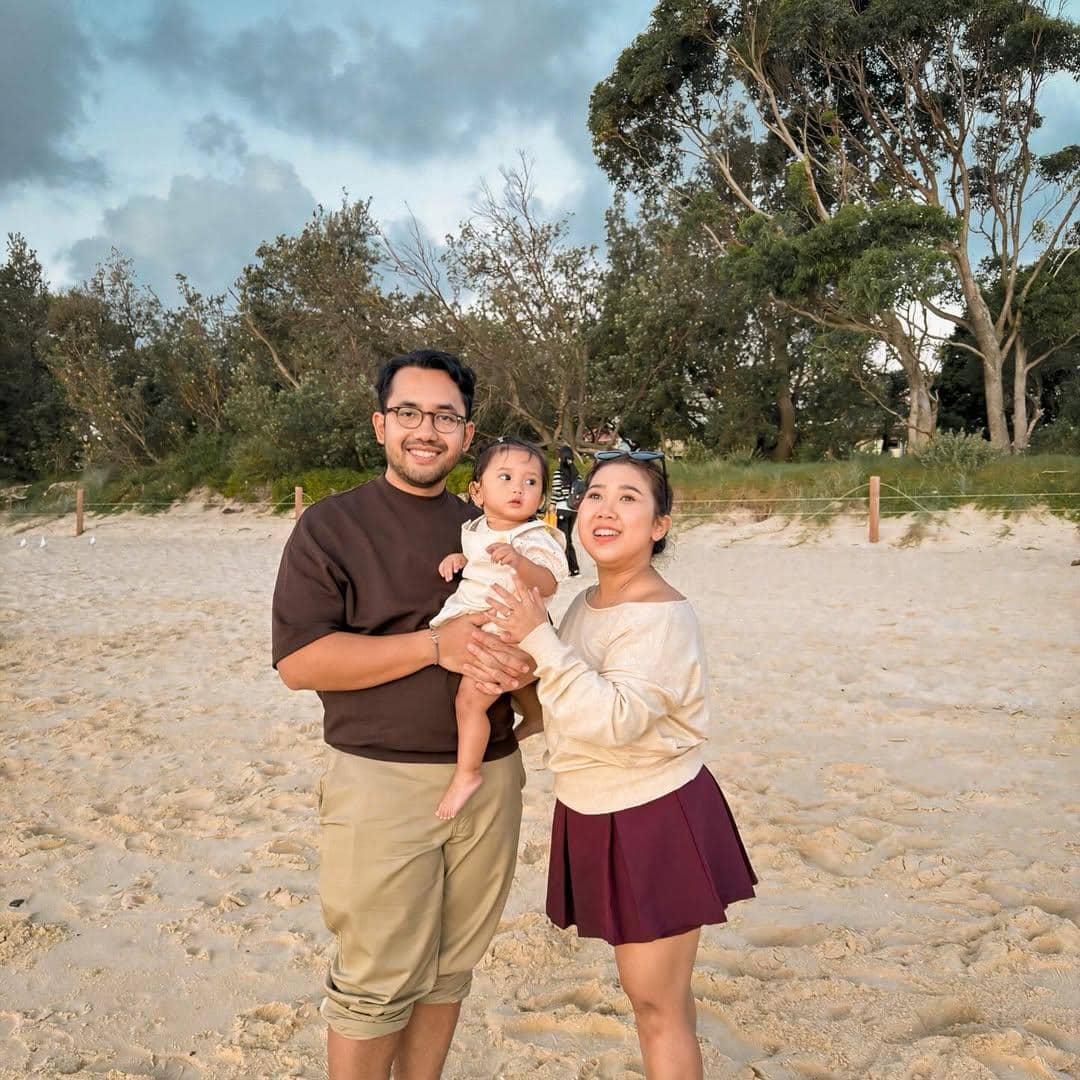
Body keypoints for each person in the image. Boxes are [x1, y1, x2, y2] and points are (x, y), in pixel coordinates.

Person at [272, 349, 533, 1080]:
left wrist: (528, 678)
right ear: (381, 423)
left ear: (467, 433)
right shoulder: (330, 527)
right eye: (410, 412)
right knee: (372, 984)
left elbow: (531, 630)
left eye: (445, 416)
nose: (427, 429)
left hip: (489, 779)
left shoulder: (491, 525)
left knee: (451, 971)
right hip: (379, 783)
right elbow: (299, 663)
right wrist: (432, 647)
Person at [488, 450, 757, 1080]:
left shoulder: (661, 615)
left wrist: (537, 640)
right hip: (593, 807)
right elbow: (562, 697)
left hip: (652, 812)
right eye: (596, 495)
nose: (605, 509)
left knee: (655, 1003)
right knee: (655, 999)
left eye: (629, 498)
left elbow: (614, 718)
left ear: (660, 525)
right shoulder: (585, 604)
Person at [431, 436, 568, 819]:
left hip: (507, 625)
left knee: (469, 702)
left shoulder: (533, 536)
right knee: (504, 684)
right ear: (477, 491)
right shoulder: (475, 528)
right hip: (483, 618)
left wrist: (521, 563)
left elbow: (549, 583)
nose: (518, 489)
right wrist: (460, 558)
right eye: (505, 477)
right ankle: (536, 715)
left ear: (540, 497)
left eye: (530, 483)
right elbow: (480, 560)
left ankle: (467, 773)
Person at [549, 445, 581, 577]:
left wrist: (552, 504)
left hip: (562, 508)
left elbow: (557, 491)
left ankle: (568, 569)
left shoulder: (558, 473)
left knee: (563, 539)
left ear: (560, 458)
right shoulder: (576, 474)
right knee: (568, 539)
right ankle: (574, 569)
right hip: (573, 510)